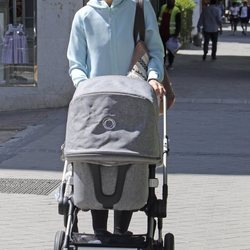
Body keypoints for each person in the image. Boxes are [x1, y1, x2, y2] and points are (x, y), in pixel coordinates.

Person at [67, 0, 175, 236]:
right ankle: (100, 232)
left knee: (131, 156)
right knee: (95, 157)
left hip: (133, 102)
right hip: (95, 105)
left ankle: (119, 231)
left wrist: (154, 77)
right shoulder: (84, 16)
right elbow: (76, 63)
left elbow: (156, 50)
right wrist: (85, 88)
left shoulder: (139, 8)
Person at [158, 0, 181, 70]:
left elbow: (178, 23)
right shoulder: (163, 8)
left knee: (171, 51)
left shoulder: (177, 10)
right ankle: (163, 63)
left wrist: (176, 34)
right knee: (162, 50)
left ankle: (170, 64)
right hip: (162, 33)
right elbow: (159, 18)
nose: (170, 2)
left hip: (171, 34)